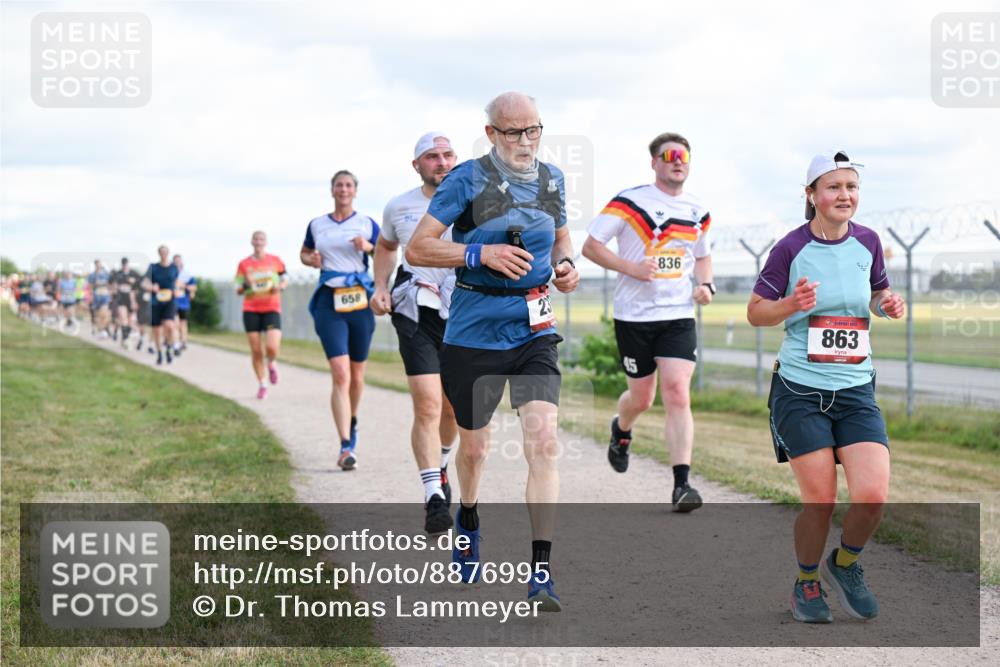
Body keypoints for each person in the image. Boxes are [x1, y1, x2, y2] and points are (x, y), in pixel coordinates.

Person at [407, 91, 579, 611]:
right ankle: (470, 516)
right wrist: (480, 251)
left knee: (544, 441)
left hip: (533, 329)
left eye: (533, 130)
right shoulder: (465, 180)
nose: (525, 141)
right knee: (475, 451)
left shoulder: (552, 179)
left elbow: (562, 239)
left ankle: (542, 573)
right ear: (490, 135)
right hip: (473, 331)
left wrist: (567, 267)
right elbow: (419, 246)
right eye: (512, 132)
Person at [747, 151, 904, 624]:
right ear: (812, 194)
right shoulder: (790, 249)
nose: (845, 196)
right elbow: (757, 312)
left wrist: (887, 303)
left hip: (856, 389)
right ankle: (807, 582)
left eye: (851, 187)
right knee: (821, 499)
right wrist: (791, 303)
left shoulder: (869, 242)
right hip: (800, 389)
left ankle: (847, 564)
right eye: (834, 187)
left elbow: (876, 292)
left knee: (873, 495)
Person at [581, 132, 714, 513]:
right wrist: (631, 268)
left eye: (684, 156)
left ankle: (682, 484)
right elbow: (591, 246)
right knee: (641, 398)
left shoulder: (697, 210)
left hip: (677, 316)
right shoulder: (629, 201)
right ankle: (621, 429)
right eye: (669, 155)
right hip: (634, 317)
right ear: (654, 162)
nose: (678, 161)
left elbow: (703, 258)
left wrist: (706, 285)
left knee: (677, 391)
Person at [372, 132, 460, 534]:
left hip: (463, 311)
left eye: (447, 155)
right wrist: (380, 286)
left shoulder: (474, 203)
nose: (441, 162)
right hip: (414, 309)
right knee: (427, 405)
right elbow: (386, 246)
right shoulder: (400, 205)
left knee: (453, 408)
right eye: (431, 157)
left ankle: (441, 464)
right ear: (417, 165)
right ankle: (433, 497)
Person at [301, 170, 380, 470]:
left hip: (359, 300)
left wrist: (368, 247)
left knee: (357, 377)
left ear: (355, 191)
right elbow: (305, 253)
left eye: (348, 185)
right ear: (332, 190)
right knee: (341, 375)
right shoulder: (317, 224)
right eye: (339, 185)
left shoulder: (366, 222)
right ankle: (346, 445)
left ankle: (353, 418)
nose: (343, 189)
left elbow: (387, 251)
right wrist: (311, 260)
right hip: (328, 301)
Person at [236, 231, 288, 399]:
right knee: (256, 350)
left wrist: (279, 287)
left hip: (272, 307)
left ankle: (271, 362)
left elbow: (285, 279)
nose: (258, 242)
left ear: (266, 242)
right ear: (252, 242)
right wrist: (246, 284)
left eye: (261, 239)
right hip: (251, 309)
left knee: (272, 346)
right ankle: (262, 383)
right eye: (256, 239)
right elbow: (238, 289)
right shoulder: (244, 264)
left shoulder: (275, 261)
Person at [143, 245, 180, 365]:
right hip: (156, 301)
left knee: (169, 325)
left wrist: (177, 290)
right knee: (157, 331)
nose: (163, 254)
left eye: (165, 252)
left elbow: (177, 282)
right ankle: (159, 354)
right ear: (159, 254)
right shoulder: (153, 267)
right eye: (161, 252)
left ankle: (169, 348)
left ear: (168, 253)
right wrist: (151, 287)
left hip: (170, 300)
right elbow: (144, 283)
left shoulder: (174, 268)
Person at [111, 257, 142, 348]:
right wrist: (114, 288)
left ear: (128, 264)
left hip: (132, 299)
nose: (125, 266)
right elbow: (111, 283)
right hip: (121, 298)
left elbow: (142, 282)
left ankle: (126, 337)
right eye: (123, 264)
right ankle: (125, 339)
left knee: (130, 320)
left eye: (126, 264)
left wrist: (135, 281)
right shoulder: (118, 274)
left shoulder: (134, 273)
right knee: (123, 318)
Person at [172, 254, 197, 355]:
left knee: (183, 324)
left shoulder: (187, 275)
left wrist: (184, 286)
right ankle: (176, 343)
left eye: (179, 261)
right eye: (175, 261)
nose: (178, 263)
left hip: (184, 304)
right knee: (175, 324)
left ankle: (183, 342)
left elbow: (193, 288)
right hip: (173, 303)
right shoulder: (170, 274)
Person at [87, 261, 112, 337]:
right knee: (98, 315)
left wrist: (110, 294)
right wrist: (90, 296)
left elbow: (110, 285)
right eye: (97, 265)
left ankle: (104, 329)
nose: (99, 266)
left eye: (100, 265)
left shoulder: (106, 274)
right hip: (96, 297)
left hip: (105, 296)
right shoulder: (92, 275)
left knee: (105, 314)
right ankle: (101, 330)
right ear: (95, 266)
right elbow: (90, 287)